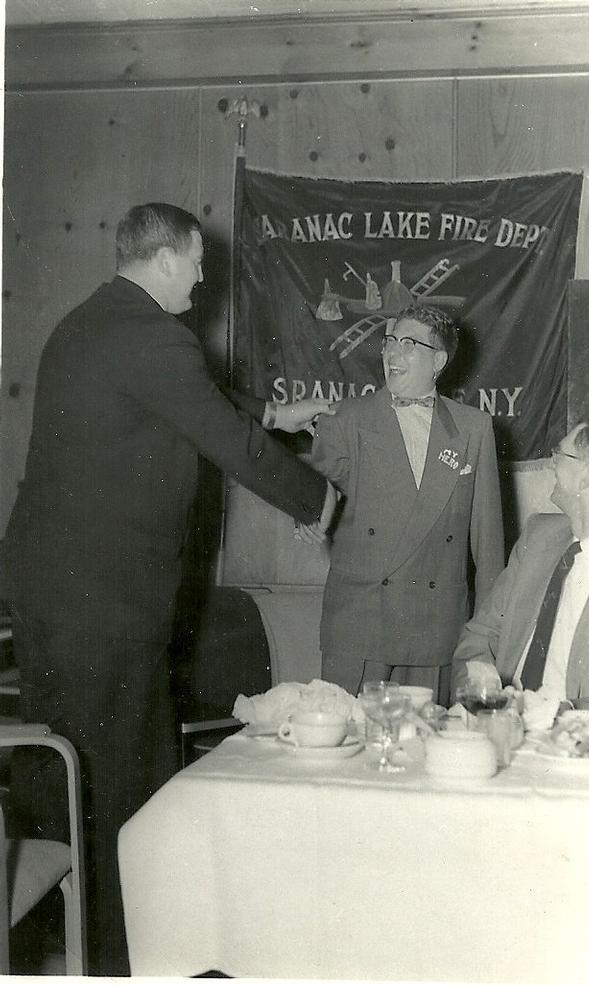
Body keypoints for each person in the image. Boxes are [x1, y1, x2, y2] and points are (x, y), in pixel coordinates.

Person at [0, 202, 336, 974]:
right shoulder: (151, 335)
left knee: (59, 771)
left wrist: (280, 411)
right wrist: (318, 501)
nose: (202, 274)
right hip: (105, 604)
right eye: (194, 260)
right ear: (162, 260)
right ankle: (125, 959)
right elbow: (222, 435)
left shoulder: (91, 322)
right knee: (126, 786)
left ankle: (53, 944)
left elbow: (196, 397)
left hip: (56, 594)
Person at [308, 302, 504, 702]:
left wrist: (485, 638)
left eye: (409, 344)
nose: (392, 354)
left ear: (439, 361)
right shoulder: (343, 418)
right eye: (389, 342)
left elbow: (488, 545)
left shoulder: (473, 428)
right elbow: (313, 502)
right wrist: (306, 516)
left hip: (435, 626)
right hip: (361, 624)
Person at [450, 408, 589, 725]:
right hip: (499, 730)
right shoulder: (539, 537)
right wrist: (479, 679)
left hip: (578, 749)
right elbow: (478, 637)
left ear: (585, 475)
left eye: (560, 453)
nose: (552, 461)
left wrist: (557, 714)